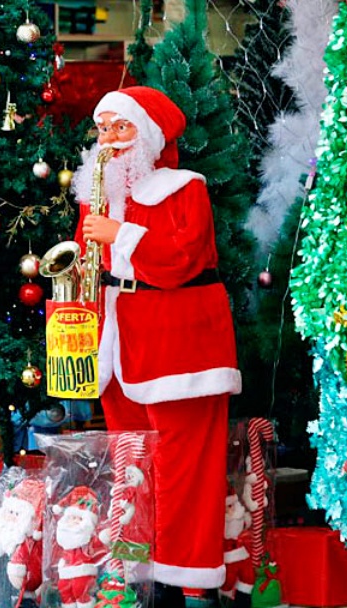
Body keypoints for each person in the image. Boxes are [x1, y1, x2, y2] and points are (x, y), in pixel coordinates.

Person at [71, 86, 241, 606]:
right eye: (102, 129)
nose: (109, 140)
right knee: (133, 464)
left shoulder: (184, 187)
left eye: (120, 128)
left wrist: (119, 234)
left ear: (148, 134)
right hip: (120, 342)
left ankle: (193, 584)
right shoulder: (97, 195)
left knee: (187, 469)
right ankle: (140, 578)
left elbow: (183, 258)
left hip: (178, 346)